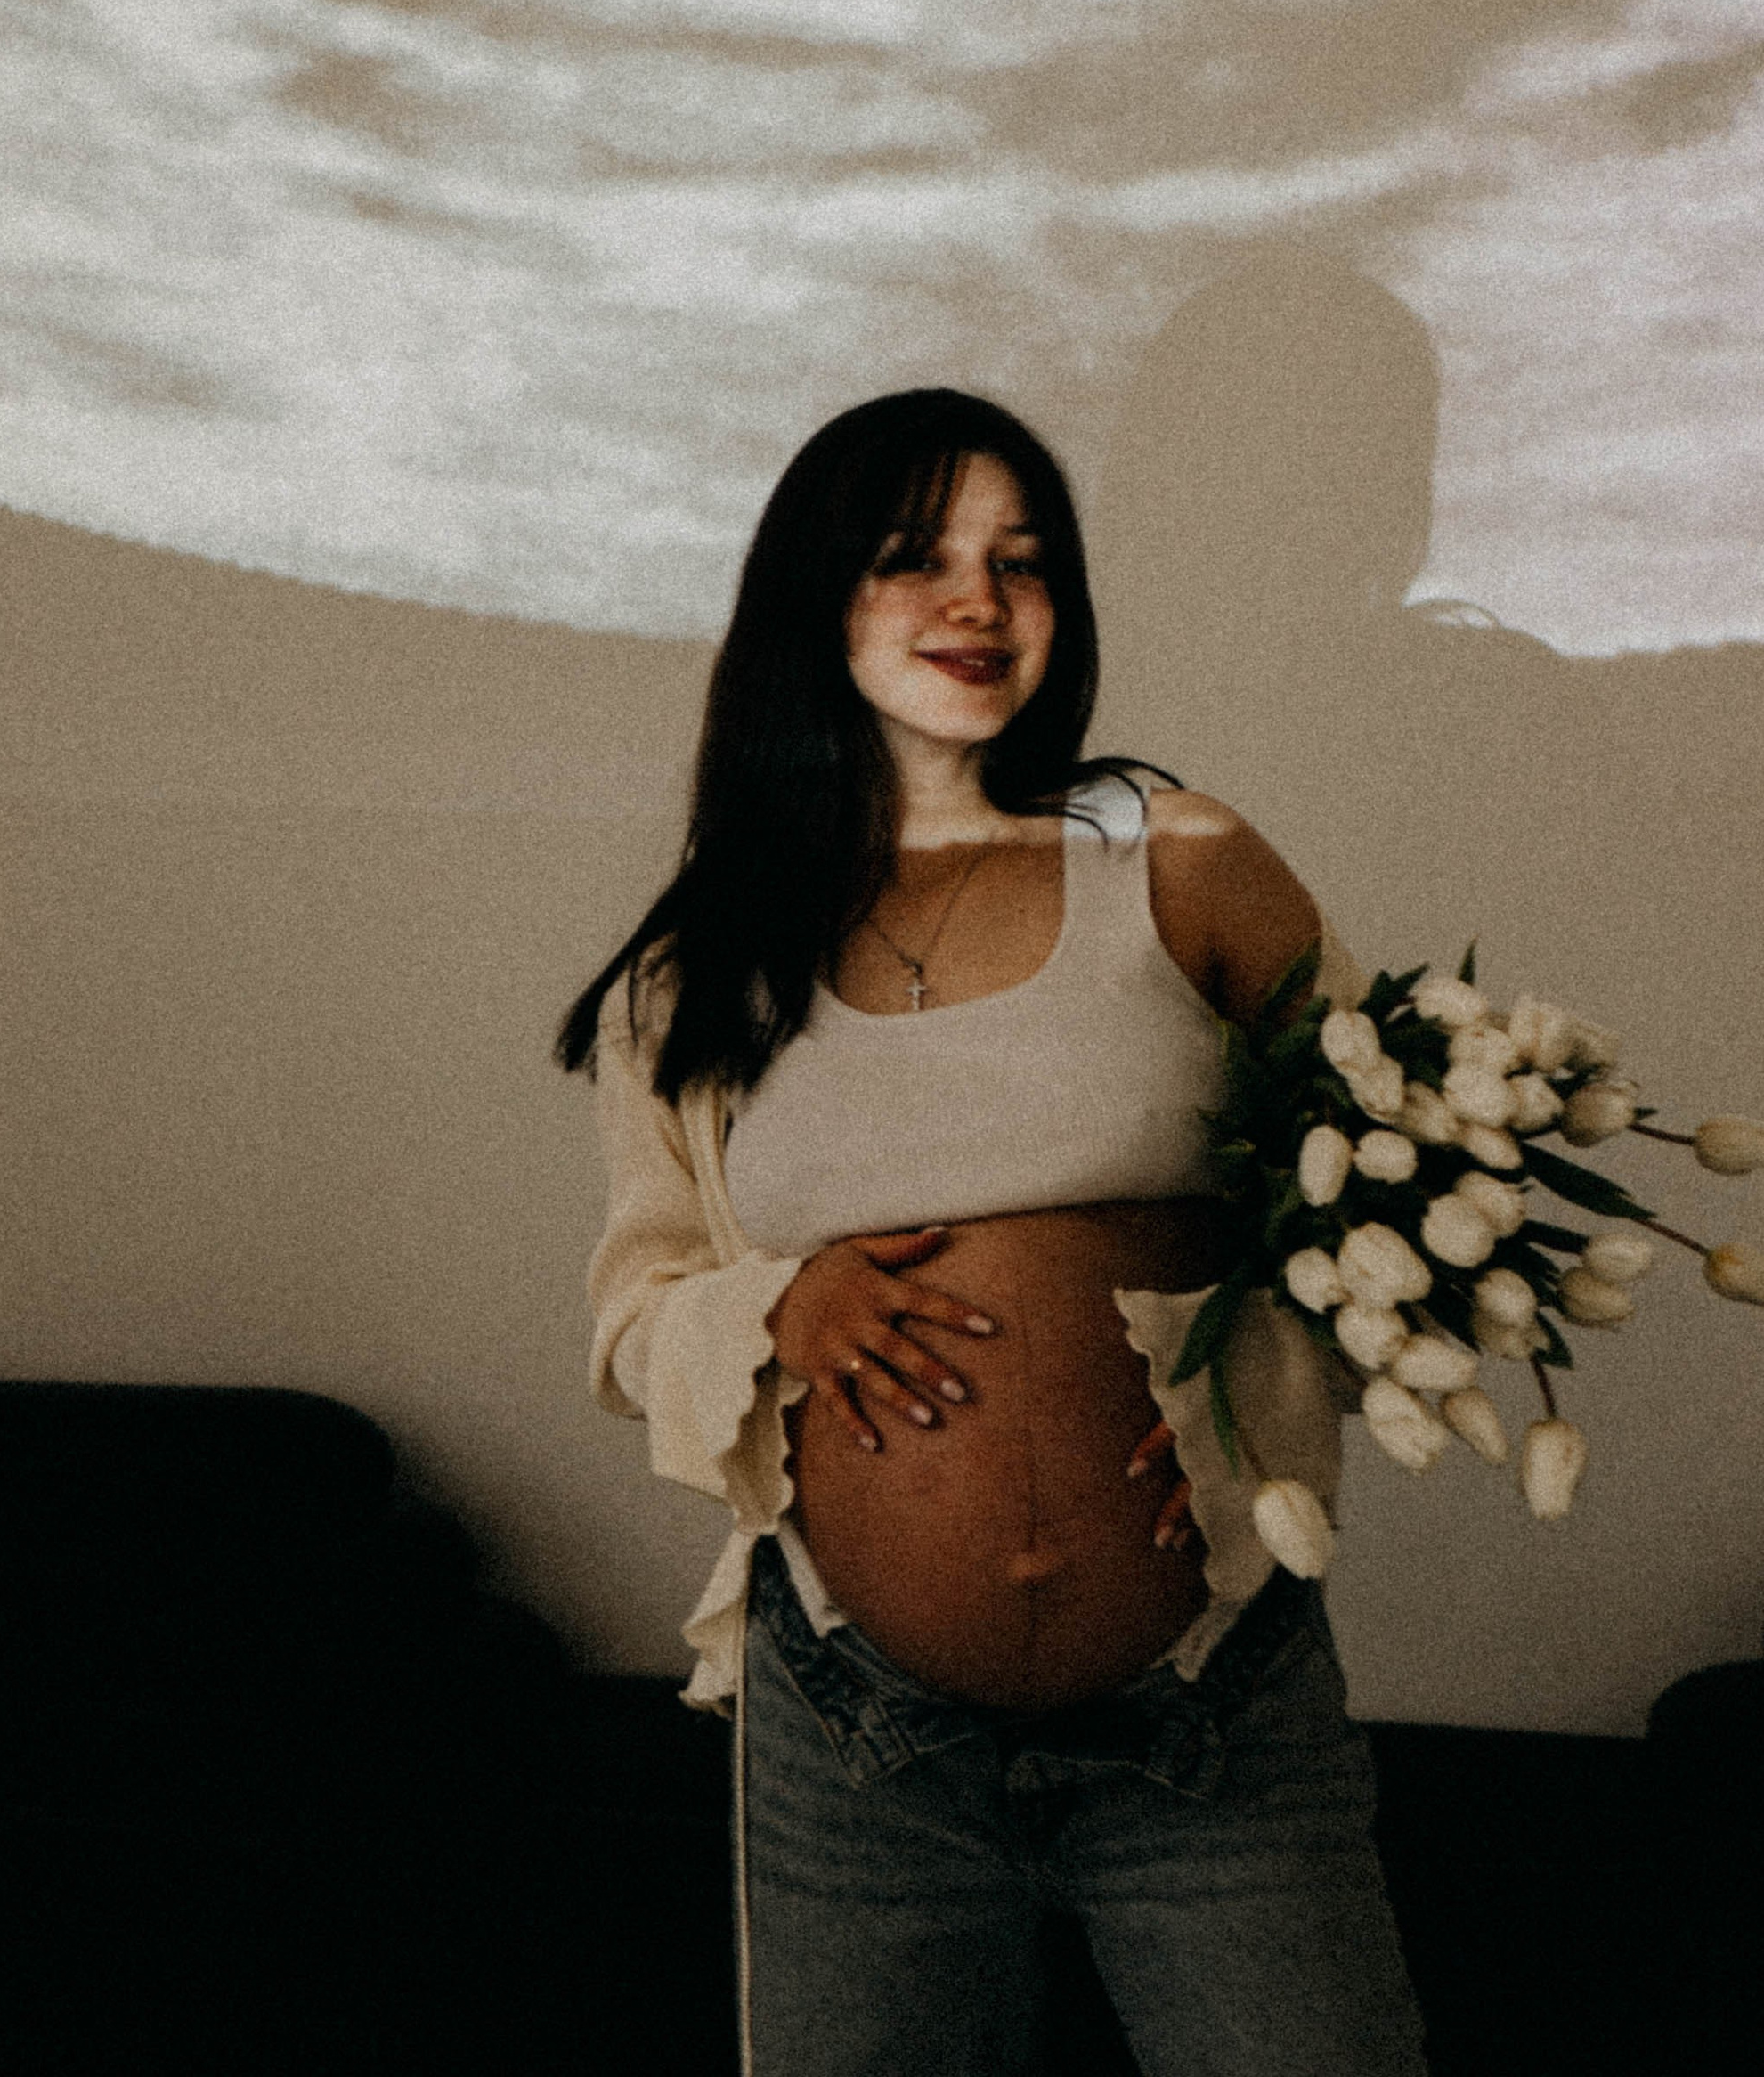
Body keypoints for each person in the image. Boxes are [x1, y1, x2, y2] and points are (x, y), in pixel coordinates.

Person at [555, 387, 1427, 2077]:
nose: (978, 603)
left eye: (1021, 563)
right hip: (854, 1738)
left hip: (1208, 1705)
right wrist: (772, 1317)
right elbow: (631, 1310)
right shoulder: (708, 957)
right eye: (915, 561)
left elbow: (1388, 1200)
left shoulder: (1173, 856)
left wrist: (1256, 1405)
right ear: (816, 600)